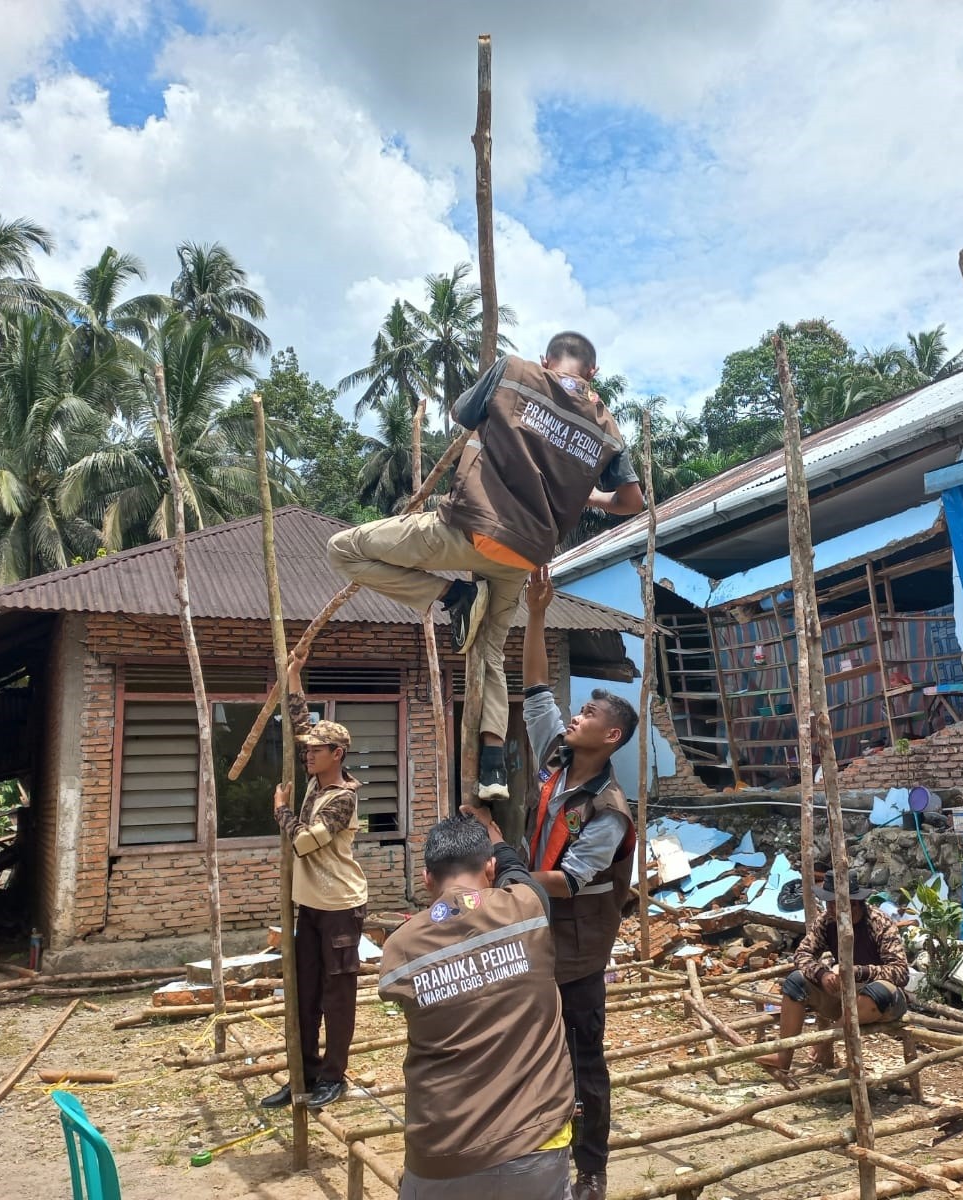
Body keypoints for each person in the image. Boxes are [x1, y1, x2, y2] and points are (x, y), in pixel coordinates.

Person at [326, 332, 644, 805]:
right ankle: (492, 767)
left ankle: (451, 597)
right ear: (592, 372)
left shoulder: (514, 370)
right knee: (489, 652)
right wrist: (587, 494)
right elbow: (632, 502)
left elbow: (462, 414)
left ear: (546, 360)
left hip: (469, 528)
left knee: (343, 550)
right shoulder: (607, 428)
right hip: (524, 554)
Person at [379, 813, 575, 1199]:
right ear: (489, 867)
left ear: (426, 879)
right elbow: (519, 875)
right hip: (534, 1141)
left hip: (441, 1150)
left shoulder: (399, 948)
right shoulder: (527, 910)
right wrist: (499, 843)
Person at [520, 566, 637, 1200]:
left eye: (588, 712)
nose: (575, 715)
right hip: (537, 932)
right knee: (536, 1047)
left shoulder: (610, 808)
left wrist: (499, 882)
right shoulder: (557, 759)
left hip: (578, 946)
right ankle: (537, 1143)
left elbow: (567, 881)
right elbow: (537, 690)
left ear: (610, 736)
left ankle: (591, 1168)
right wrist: (536, 612)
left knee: (585, 1060)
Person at [259, 648, 367, 1111]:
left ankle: (333, 1077)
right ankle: (300, 1074)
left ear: (336, 755)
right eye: (307, 752)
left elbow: (305, 843)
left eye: (316, 752)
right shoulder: (315, 782)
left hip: (340, 905)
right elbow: (301, 723)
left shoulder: (342, 798)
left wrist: (281, 811)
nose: (307, 755)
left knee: (335, 994)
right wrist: (295, 677)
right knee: (303, 994)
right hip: (310, 907)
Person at [755, 869, 910, 1077]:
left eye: (834, 904)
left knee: (876, 992)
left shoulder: (879, 922)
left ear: (853, 903)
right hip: (843, 995)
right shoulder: (826, 921)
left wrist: (858, 972)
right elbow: (803, 954)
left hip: (881, 1001)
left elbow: (901, 972)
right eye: (828, 903)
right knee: (796, 982)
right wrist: (822, 975)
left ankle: (828, 1040)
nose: (830, 908)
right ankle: (784, 1057)